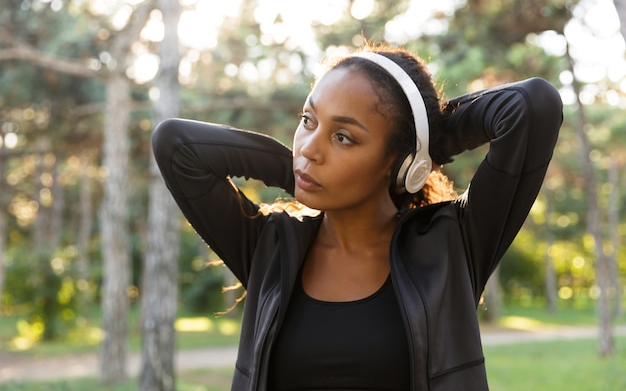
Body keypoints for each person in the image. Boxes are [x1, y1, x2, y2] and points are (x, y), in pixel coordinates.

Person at [152, 44, 562, 391]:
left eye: (343, 137)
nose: (310, 148)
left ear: (394, 162)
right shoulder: (270, 247)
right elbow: (176, 145)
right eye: (308, 121)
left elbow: (532, 107)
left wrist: (425, 145)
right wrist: (293, 171)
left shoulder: (451, 245)